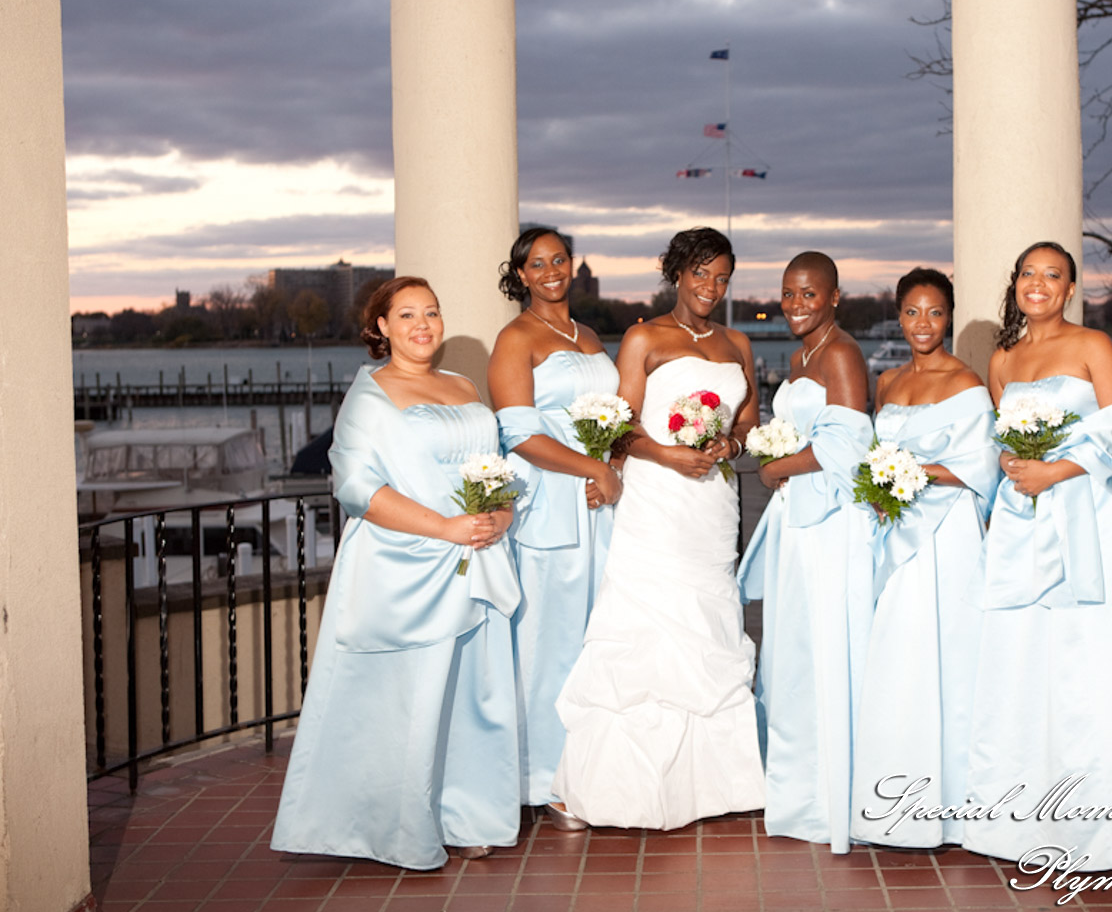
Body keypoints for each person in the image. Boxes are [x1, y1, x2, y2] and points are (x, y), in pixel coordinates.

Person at [272, 277, 521, 869]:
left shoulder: (464, 386)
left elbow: (495, 467)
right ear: (381, 326)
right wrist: (447, 528)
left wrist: (503, 513)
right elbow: (357, 488)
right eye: (407, 315)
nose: (422, 325)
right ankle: (395, 826)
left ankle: (467, 814)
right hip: (406, 565)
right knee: (406, 703)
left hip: (476, 560)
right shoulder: (371, 397)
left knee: (470, 695)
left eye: (431, 312)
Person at [963, 242, 1112, 870]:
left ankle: (1104, 829)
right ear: (1016, 283)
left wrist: (1056, 470)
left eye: (1053, 275)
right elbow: (1002, 435)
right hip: (1023, 524)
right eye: (1029, 273)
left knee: (1089, 661)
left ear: (1071, 288)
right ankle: (1015, 821)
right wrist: (1012, 461)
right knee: (1020, 660)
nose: (1039, 283)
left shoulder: (1093, 346)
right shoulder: (1002, 359)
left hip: (1086, 519)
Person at [551, 227, 765, 829]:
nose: (711, 287)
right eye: (700, 273)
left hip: (712, 506)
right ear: (676, 273)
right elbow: (620, 425)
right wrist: (668, 455)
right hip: (657, 501)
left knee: (708, 626)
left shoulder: (738, 342)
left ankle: (708, 788)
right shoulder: (643, 337)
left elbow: (748, 420)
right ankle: (609, 789)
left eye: (721, 278)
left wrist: (729, 444)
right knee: (644, 628)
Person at [849, 268, 997, 848]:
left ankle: (955, 807)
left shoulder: (967, 383)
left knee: (949, 652)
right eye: (912, 312)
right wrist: (882, 485)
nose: (923, 324)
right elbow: (875, 455)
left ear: (949, 316)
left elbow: (982, 465)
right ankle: (896, 800)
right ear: (898, 316)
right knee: (898, 651)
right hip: (897, 531)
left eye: (935, 312)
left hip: (948, 531)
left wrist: (910, 472)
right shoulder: (886, 382)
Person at [737, 251, 873, 854]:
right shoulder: (799, 359)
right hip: (798, 519)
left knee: (825, 642)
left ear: (834, 297)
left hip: (832, 522)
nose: (795, 305)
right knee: (794, 646)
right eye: (788, 294)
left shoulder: (841, 353)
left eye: (809, 294)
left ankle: (831, 796)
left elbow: (848, 445)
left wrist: (776, 468)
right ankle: (797, 787)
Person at [487, 227, 622, 825]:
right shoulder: (515, 338)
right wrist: (593, 467)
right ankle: (542, 778)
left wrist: (611, 467)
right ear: (521, 275)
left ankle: (587, 766)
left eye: (559, 260)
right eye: (537, 264)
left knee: (593, 640)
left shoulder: (588, 336)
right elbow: (519, 433)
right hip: (548, 504)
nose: (551, 271)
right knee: (548, 643)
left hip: (598, 505)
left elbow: (614, 418)